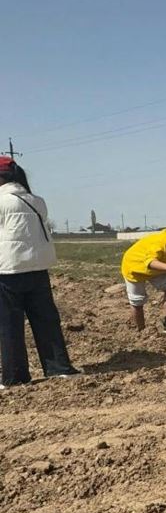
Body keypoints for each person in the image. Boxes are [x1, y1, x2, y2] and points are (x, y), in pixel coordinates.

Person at [0, 157, 80, 388]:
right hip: (38, 267)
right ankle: (59, 368)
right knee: (46, 320)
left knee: (9, 324)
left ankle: (15, 377)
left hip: (8, 270)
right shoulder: (37, 201)